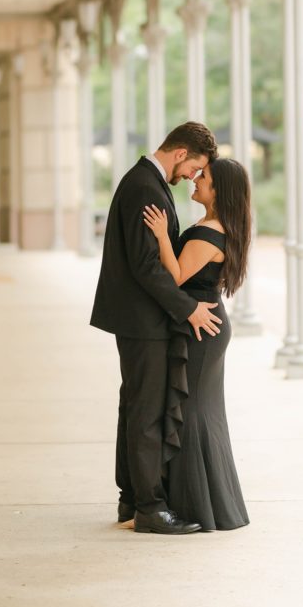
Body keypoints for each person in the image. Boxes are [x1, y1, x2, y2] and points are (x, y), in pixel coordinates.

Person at [90, 122, 222, 536]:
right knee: (145, 412)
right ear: (181, 153)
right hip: (143, 321)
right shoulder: (146, 187)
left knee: (134, 407)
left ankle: (131, 498)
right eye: (195, 168)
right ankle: (149, 507)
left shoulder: (144, 181)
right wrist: (188, 310)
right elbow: (147, 267)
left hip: (137, 318)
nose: (192, 178)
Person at [142, 157, 250, 532]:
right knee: (200, 413)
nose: (196, 179)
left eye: (204, 177)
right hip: (205, 323)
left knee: (193, 414)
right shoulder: (214, 226)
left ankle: (200, 507)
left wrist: (159, 235)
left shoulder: (209, 232)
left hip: (202, 329)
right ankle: (210, 504)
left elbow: (176, 276)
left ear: (220, 190)